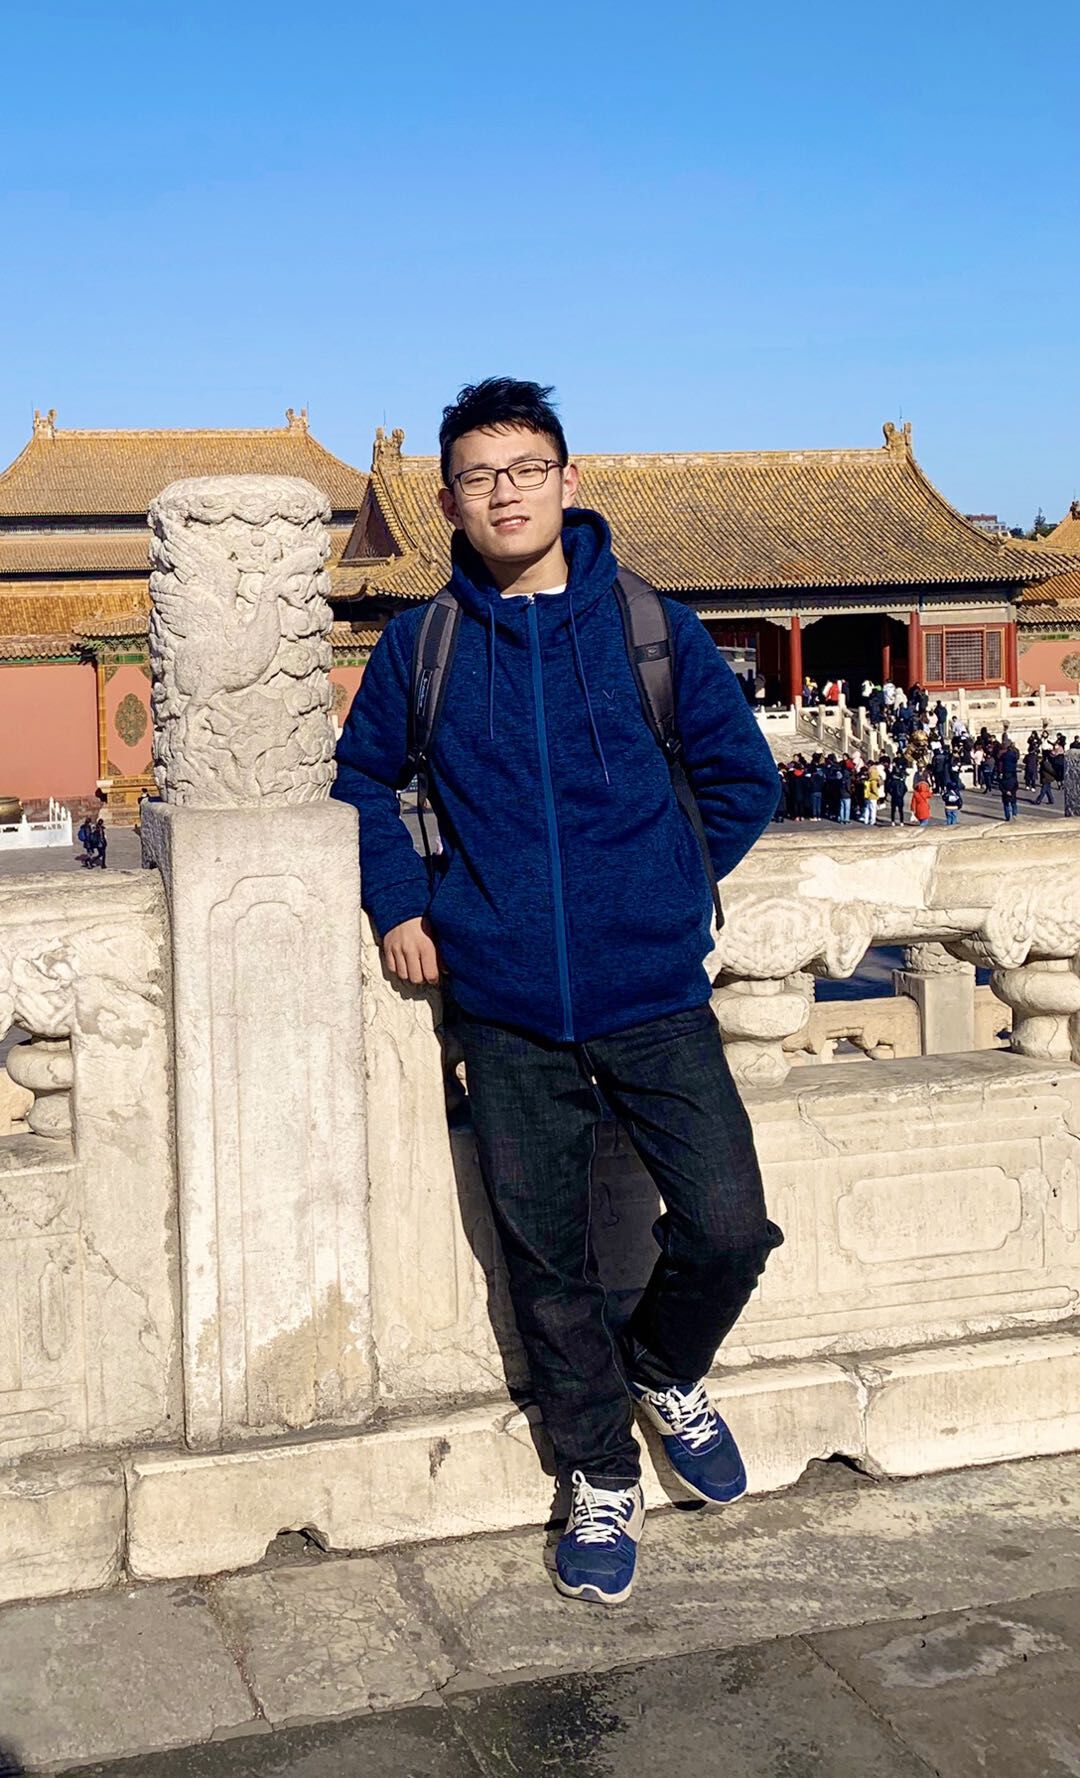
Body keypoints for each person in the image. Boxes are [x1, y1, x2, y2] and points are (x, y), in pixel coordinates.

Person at [332, 378, 783, 1607]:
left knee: (730, 1222)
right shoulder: (423, 645)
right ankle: (597, 1473)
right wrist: (404, 901)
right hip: (508, 1004)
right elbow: (363, 779)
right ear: (448, 502)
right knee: (548, 1257)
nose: (506, 493)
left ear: (568, 481)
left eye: (527, 468)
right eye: (480, 476)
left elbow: (742, 780)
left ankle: (665, 1366)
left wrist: (664, 888)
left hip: (654, 991)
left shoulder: (650, 627)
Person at [999, 741, 1020, 822]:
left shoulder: (1004, 755)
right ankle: (1015, 814)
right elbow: (1016, 785)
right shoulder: (1014, 755)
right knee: (1013, 803)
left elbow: (1000, 786)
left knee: (1006, 804)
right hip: (1012, 772)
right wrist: (1012, 791)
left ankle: (1007, 817)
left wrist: (1005, 791)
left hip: (1006, 773)